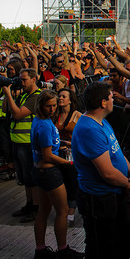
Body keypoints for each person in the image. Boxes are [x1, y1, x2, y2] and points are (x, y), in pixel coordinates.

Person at [72, 82, 130, 259]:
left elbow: (115, 150)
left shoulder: (102, 122)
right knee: (101, 249)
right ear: (103, 102)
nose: (113, 99)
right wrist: (126, 183)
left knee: (122, 240)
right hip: (99, 199)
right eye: (110, 97)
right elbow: (107, 172)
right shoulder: (89, 128)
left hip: (113, 195)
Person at [29, 89, 84, 259]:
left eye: (54, 106)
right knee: (62, 211)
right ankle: (63, 249)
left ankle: (40, 249)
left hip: (39, 171)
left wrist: (60, 145)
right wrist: (67, 163)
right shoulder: (45, 125)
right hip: (50, 171)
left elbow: (46, 148)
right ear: (40, 105)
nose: (53, 109)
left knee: (43, 212)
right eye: (49, 106)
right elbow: (47, 156)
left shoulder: (38, 121)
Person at [2, 68, 41, 222]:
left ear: (34, 79)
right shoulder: (24, 94)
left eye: (24, 80)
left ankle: (36, 207)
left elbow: (18, 114)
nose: (22, 83)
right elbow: (7, 109)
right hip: (17, 140)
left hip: (28, 142)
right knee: (25, 178)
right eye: (21, 79)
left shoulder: (36, 97)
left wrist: (7, 94)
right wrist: (9, 95)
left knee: (32, 177)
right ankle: (29, 204)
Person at [55, 88, 81, 225]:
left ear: (70, 100)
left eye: (63, 96)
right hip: (57, 153)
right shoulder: (56, 115)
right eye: (59, 96)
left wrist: (68, 143)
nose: (60, 98)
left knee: (71, 182)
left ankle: (71, 209)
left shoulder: (77, 115)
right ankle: (64, 208)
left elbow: (83, 136)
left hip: (71, 154)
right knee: (61, 182)